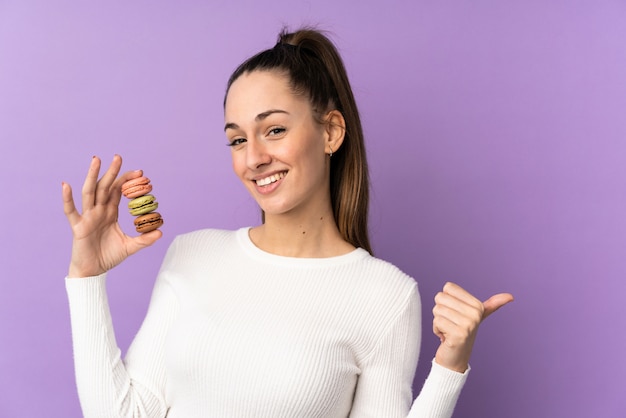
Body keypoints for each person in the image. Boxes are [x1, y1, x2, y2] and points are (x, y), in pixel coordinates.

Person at [62, 28, 513, 417]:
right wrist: (86, 278)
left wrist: (450, 367)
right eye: (237, 139)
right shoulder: (192, 255)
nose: (254, 158)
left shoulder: (386, 297)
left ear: (331, 132)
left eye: (274, 129)